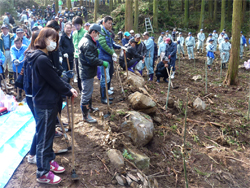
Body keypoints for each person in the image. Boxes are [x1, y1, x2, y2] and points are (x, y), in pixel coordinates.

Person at [32, 27, 78, 184]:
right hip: (44, 103)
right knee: (44, 138)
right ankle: (43, 172)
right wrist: (68, 90)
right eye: (52, 39)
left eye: (56, 40)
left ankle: (49, 160)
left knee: (48, 135)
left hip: (48, 101)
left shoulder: (44, 56)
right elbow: (54, 80)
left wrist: (67, 88)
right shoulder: (41, 59)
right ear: (43, 39)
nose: (54, 43)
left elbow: (54, 77)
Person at [78, 24, 106, 123]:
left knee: (89, 91)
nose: (98, 36)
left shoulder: (89, 41)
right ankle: (85, 116)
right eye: (98, 34)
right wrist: (102, 62)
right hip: (86, 71)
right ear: (93, 32)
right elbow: (91, 60)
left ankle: (89, 108)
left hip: (88, 70)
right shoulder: (87, 43)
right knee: (86, 93)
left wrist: (95, 52)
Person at [97, 16, 122, 104]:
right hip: (103, 58)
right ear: (104, 23)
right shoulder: (101, 32)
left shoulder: (108, 32)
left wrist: (120, 47)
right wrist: (113, 53)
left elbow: (111, 43)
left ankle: (106, 95)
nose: (110, 25)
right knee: (105, 78)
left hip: (108, 58)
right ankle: (103, 97)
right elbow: (104, 45)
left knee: (108, 77)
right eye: (109, 23)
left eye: (111, 23)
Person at [72, 16, 87, 91]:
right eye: (75, 25)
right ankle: (80, 89)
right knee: (78, 73)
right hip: (76, 56)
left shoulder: (85, 32)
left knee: (83, 73)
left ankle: (85, 88)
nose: (77, 27)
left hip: (83, 56)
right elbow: (73, 44)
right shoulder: (74, 33)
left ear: (81, 24)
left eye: (78, 25)